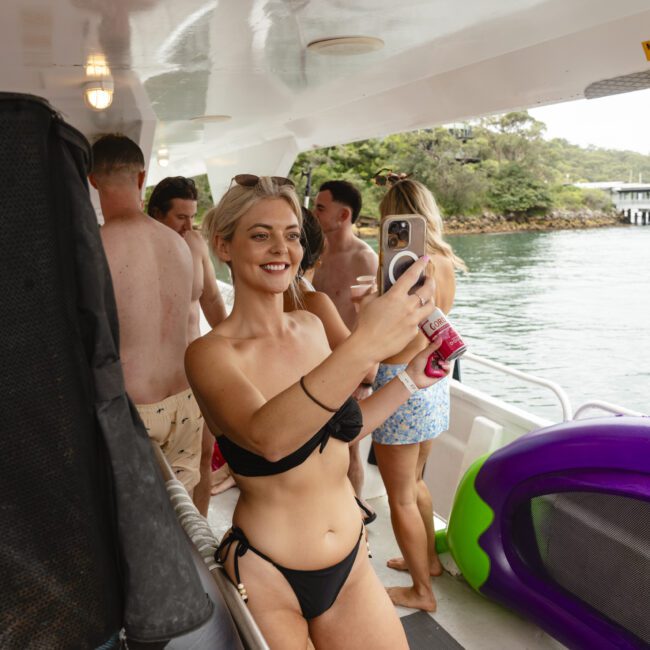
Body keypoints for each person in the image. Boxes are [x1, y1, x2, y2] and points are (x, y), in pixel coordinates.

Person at [185, 175, 449, 649]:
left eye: (291, 235)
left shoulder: (310, 325)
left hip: (350, 562)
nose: (280, 249)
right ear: (223, 245)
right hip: (270, 573)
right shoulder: (209, 354)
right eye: (260, 234)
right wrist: (366, 339)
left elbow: (342, 431)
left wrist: (413, 376)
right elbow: (269, 437)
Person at [372, 178, 467, 612]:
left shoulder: (402, 264)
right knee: (417, 482)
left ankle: (421, 593)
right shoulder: (443, 260)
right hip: (436, 380)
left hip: (404, 382)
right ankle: (426, 562)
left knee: (401, 496)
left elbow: (394, 334)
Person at [90, 134, 203, 496]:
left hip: (133, 407)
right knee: (183, 521)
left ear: (91, 181)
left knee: (136, 528)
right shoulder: (177, 243)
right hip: (186, 399)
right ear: (142, 178)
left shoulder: (96, 247)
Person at [147, 176, 227, 515]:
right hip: (154, 382)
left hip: (196, 372)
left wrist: (235, 346)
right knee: (155, 472)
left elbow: (210, 297)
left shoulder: (194, 244)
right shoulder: (141, 247)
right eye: (181, 217)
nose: (189, 225)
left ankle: (201, 539)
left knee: (205, 458)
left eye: (192, 216)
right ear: (156, 213)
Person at [312, 180, 378, 522]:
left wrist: (366, 377)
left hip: (350, 372)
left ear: (344, 214)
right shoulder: (315, 254)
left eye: (320, 208)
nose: (313, 213)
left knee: (350, 453)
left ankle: (357, 523)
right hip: (312, 365)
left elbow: (374, 325)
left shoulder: (365, 259)